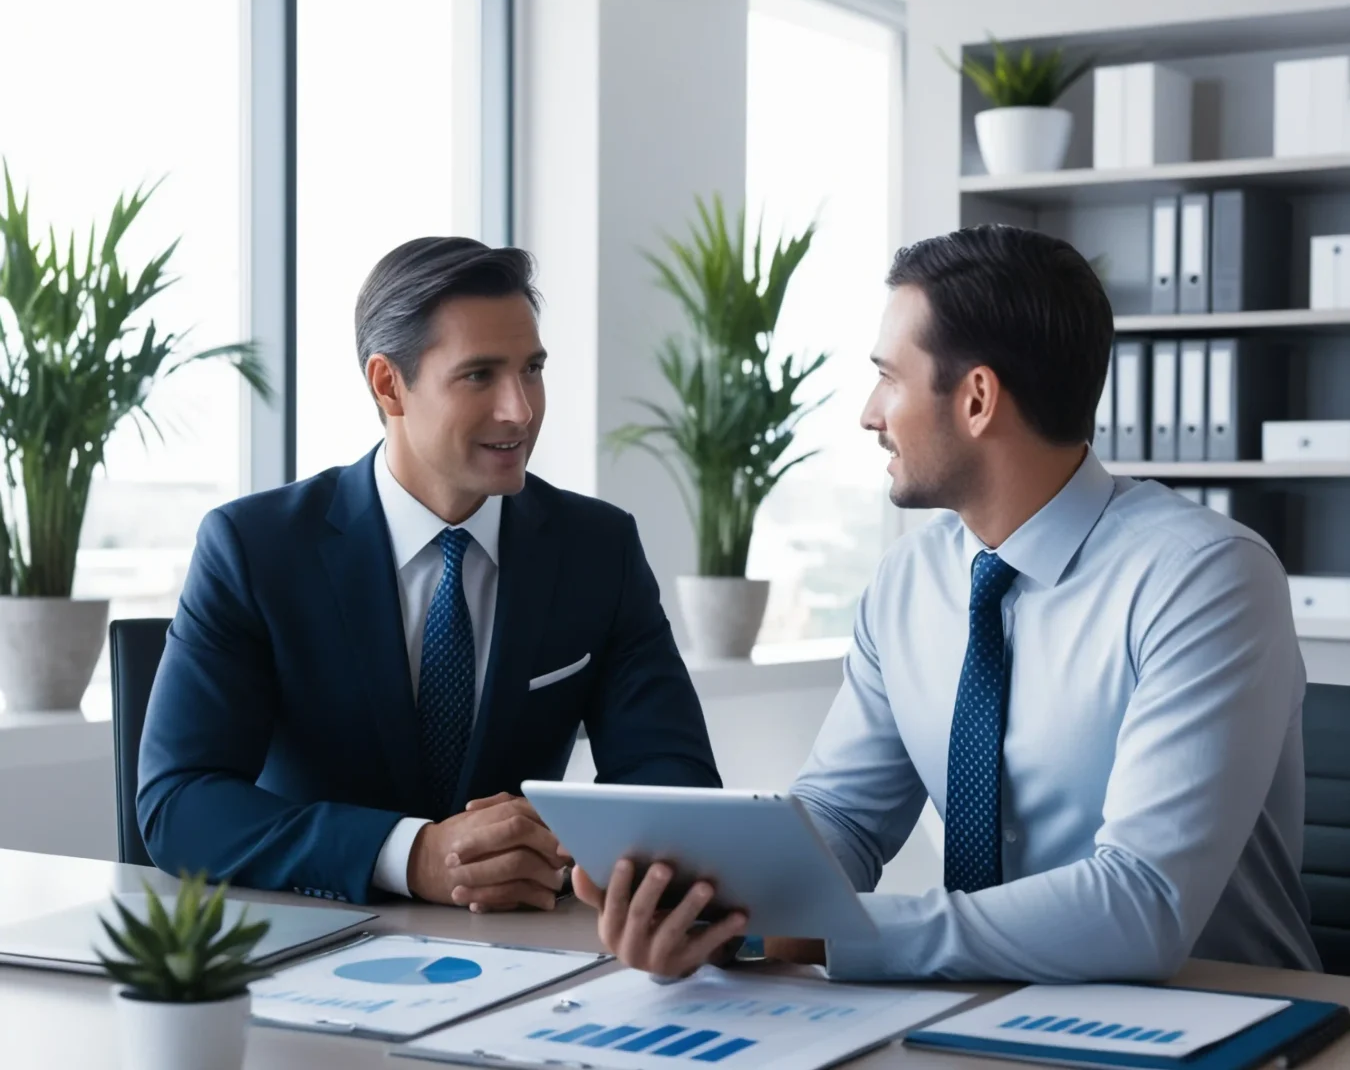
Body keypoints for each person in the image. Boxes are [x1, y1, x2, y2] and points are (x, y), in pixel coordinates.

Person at [574, 224, 1321, 982]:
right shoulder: (908, 582)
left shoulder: (1206, 580)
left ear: (977, 399)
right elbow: (843, 818)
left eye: (888, 378)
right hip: (972, 1010)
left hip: (1222, 1015)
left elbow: (1142, 905)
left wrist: (833, 936)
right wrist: (723, 914)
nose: (870, 413)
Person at [138, 236, 721, 910]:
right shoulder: (254, 549)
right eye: (479, 376)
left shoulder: (598, 549)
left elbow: (679, 782)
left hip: (528, 941)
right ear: (389, 385)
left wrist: (553, 842)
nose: (520, 409)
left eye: (531, 369)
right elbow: (179, 803)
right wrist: (411, 855)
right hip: (320, 936)